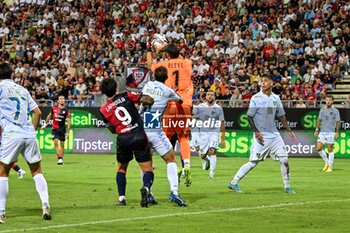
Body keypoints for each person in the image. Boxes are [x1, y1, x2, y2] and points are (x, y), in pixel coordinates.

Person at [0, 62, 51, 224]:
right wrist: (33, 131)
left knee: (2, 172)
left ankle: (1, 211)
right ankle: (45, 205)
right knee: (37, 172)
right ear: (11, 74)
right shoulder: (22, 89)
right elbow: (37, 112)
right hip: (29, 134)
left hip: (11, 134)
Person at [228, 76, 297, 194]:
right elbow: (249, 116)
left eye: (265, 81)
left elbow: (281, 116)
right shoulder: (256, 98)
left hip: (275, 135)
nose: (262, 83)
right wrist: (256, 132)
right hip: (262, 136)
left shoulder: (276, 98)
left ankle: (287, 186)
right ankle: (233, 182)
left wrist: (289, 130)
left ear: (272, 83)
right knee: (253, 162)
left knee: (284, 159)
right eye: (261, 81)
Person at [99, 78, 154, 207]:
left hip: (123, 138)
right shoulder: (127, 95)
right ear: (116, 88)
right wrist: (148, 101)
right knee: (147, 170)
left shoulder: (103, 109)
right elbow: (146, 99)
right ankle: (146, 188)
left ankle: (122, 198)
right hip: (138, 135)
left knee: (121, 169)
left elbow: (111, 129)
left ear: (104, 92)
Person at [147, 43, 193, 187]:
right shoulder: (187, 63)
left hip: (169, 105)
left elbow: (149, 64)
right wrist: (170, 49)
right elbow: (178, 58)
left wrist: (155, 50)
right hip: (184, 105)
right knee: (183, 137)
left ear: (167, 54)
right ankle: (186, 165)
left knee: (164, 138)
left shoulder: (162, 64)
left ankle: (171, 165)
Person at [140, 66, 187, 206]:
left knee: (146, 165)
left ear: (154, 75)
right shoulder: (168, 91)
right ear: (166, 77)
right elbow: (180, 101)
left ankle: (148, 192)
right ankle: (174, 192)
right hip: (153, 129)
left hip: (141, 130)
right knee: (171, 159)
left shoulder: (147, 85)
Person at [193, 90, 226, 178]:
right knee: (202, 155)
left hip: (214, 133)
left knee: (213, 151)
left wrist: (223, 138)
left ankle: (211, 173)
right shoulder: (200, 106)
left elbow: (222, 122)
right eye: (208, 94)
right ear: (205, 97)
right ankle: (206, 160)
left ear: (214, 97)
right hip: (203, 134)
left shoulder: (218, 108)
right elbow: (192, 114)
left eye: (211, 94)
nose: (209, 96)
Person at [41, 95, 71, 165]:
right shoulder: (53, 108)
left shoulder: (66, 110)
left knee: (62, 144)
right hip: (54, 128)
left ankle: (61, 158)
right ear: (58, 101)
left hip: (62, 129)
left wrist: (68, 132)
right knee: (55, 142)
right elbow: (49, 116)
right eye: (60, 99)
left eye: (63, 99)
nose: (62, 100)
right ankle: (59, 158)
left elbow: (69, 121)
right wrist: (45, 124)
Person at [314, 95, 340, 172]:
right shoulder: (322, 109)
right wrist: (316, 130)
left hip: (331, 132)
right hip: (322, 132)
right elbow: (319, 120)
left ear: (332, 101)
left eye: (329, 100)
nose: (328, 101)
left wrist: (337, 132)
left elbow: (338, 122)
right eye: (327, 100)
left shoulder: (335, 111)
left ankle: (330, 167)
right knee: (318, 148)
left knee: (330, 149)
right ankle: (326, 162)